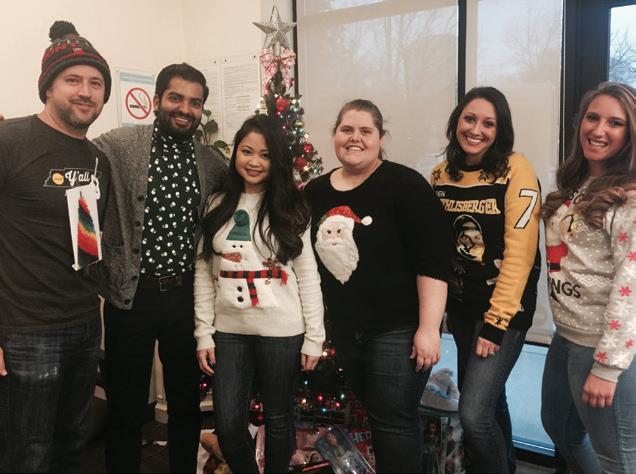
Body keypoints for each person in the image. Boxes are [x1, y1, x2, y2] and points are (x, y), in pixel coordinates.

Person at [304, 99, 451, 473]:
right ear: (335, 135)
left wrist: (429, 328)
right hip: (345, 329)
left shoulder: (405, 185)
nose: (355, 138)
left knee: (393, 422)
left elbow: (433, 262)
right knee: (378, 415)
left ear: (380, 137)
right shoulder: (315, 192)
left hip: (396, 330)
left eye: (365, 131)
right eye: (347, 129)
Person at [93, 63, 227, 473]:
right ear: (156, 101)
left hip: (184, 298)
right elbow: (75, 163)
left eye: (195, 102)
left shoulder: (211, 164)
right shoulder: (118, 146)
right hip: (130, 296)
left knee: (185, 402)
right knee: (126, 404)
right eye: (176, 98)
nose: (185, 109)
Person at [0, 21, 111, 472]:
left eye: (96, 83)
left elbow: (88, 241)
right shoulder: (10, 142)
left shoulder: (97, 159)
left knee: (71, 447)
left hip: (84, 323)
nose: (85, 92)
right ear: (48, 87)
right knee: (27, 455)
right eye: (73, 80)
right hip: (26, 330)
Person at [194, 113, 325, 473]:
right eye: (247, 151)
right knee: (228, 424)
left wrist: (314, 338)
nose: (254, 161)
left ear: (276, 160)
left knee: (279, 419)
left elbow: (308, 276)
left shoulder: (291, 207)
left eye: (265, 155)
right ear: (235, 152)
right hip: (229, 332)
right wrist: (203, 332)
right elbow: (204, 273)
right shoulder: (216, 204)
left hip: (282, 333)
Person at [430, 86, 541, 473]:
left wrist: (496, 324)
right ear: (456, 121)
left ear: (500, 130)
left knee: (474, 414)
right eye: (469, 119)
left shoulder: (515, 169)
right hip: (462, 309)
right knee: (491, 402)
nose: (476, 129)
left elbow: (521, 254)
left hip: (502, 314)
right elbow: (435, 246)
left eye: (488, 123)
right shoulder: (441, 175)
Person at [540, 81, 636, 474]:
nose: (598, 130)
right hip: (566, 337)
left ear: (630, 134)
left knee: (619, 460)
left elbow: (631, 286)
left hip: (602, 346)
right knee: (560, 428)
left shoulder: (629, 198)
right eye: (592, 118)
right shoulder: (577, 186)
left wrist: (607, 368)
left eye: (615, 123)